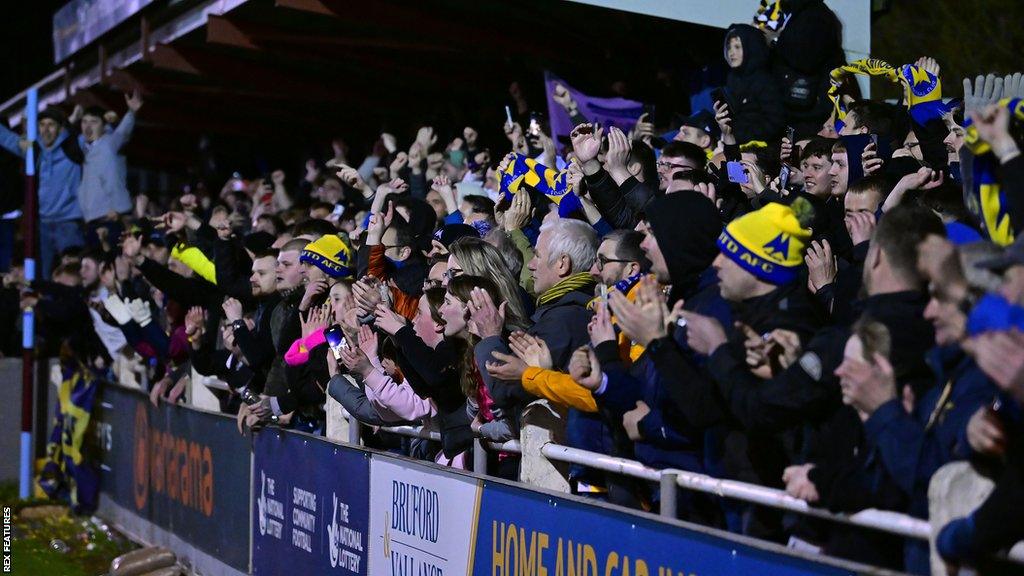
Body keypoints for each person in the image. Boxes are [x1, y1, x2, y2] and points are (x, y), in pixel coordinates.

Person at [0, 107, 84, 277]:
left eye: (51, 125)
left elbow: (98, 141)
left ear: (60, 128)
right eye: (42, 125)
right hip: (44, 224)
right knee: (46, 276)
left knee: (73, 274)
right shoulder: (36, 151)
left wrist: (75, 120)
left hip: (68, 223)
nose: (45, 129)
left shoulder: (73, 148)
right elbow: (8, 139)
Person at [78, 92, 142, 245]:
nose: (88, 126)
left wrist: (132, 112)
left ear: (103, 125)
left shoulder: (108, 143)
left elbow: (122, 133)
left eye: (93, 122)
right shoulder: (83, 147)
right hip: (91, 221)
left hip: (110, 219)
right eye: (84, 122)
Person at [722, 24, 784, 144]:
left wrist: (741, 137)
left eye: (737, 47)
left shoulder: (764, 81)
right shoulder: (733, 79)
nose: (731, 52)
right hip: (734, 143)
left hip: (759, 148)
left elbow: (775, 121)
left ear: (751, 47)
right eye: (729, 47)